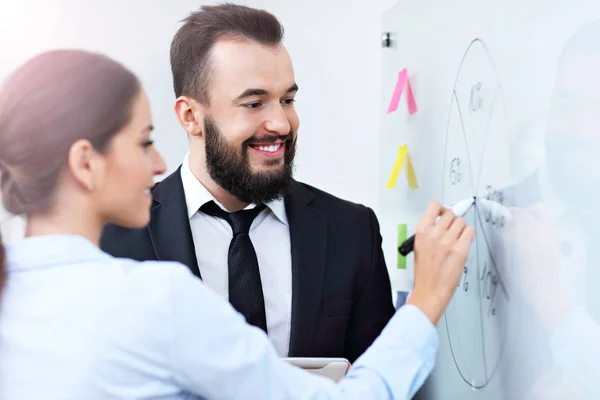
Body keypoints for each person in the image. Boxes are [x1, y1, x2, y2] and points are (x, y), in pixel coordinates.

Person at [0, 49, 475, 399]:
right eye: (143, 143)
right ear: (86, 163)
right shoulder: (154, 296)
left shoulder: (14, 293)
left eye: (288, 99)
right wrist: (427, 301)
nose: (157, 161)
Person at [99, 3, 396, 362]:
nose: (282, 124)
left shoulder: (352, 230)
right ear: (191, 116)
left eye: (287, 100)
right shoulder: (112, 238)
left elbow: (382, 380)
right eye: (254, 104)